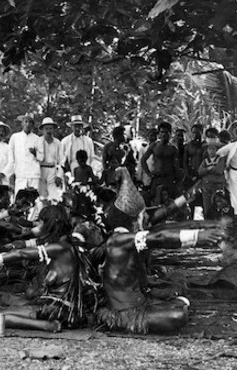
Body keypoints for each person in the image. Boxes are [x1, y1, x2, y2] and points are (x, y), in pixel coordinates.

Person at [97, 214, 225, 334]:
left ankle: (168, 306)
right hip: (126, 314)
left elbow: (164, 231)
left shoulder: (123, 239)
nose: (146, 218)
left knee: (181, 298)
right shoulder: (119, 240)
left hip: (141, 303)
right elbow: (160, 237)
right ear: (135, 220)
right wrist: (198, 236)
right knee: (179, 316)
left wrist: (202, 230)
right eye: (143, 216)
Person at [141, 122, 180, 203]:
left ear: (170, 134)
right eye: (162, 132)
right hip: (157, 178)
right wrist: (149, 173)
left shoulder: (173, 148)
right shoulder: (154, 146)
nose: (164, 134)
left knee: (169, 202)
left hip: (169, 179)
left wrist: (176, 180)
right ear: (159, 134)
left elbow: (176, 166)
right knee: (155, 201)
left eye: (166, 132)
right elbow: (143, 160)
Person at [9, 114, 42, 194]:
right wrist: (11, 173)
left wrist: (35, 153)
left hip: (34, 174)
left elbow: (42, 158)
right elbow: (11, 156)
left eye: (30, 122)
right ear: (22, 123)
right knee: (19, 198)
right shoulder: (15, 137)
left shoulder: (37, 139)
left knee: (34, 199)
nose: (28, 124)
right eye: (26, 122)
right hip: (20, 174)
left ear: (33, 125)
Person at [36, 117, 63, 201]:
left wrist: (59, 175)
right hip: (41, 170)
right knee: (41, 198)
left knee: (54, 197)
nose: (48, 131)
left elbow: (62, 160)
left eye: (50, 128)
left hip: (53, 170)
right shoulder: (38, 141)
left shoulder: (57, 143)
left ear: (53, 130)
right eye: (46, 128)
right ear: (42, 130)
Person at [198, 141, 226, 216]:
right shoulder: (205, 161)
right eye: (209, 149)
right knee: (207, 205)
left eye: (213, 149)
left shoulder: (221, 159)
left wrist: (207, 171)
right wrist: (209, 169)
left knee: (218, 204)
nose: (211, 151)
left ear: (217, 150)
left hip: (218, 185)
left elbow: (219, 170)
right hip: (207, 186)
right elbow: (200, 171)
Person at [182, 123, 205, 189]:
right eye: (193, 133)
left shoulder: (205, 145)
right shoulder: (189, 145)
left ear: (201, 132)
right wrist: (188, 175)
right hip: (191, 173)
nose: (195, 135)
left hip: (202, 174)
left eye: (197, 132)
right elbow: (185, 161)